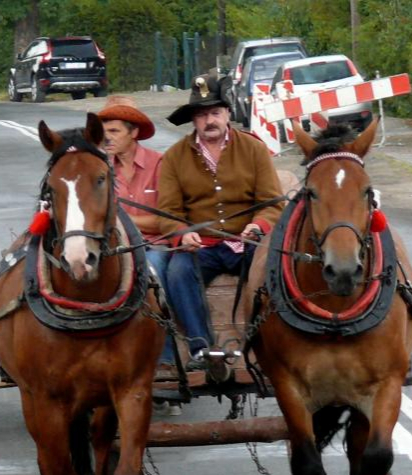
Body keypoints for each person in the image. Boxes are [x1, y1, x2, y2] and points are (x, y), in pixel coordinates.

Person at [158, 74, 283, 370]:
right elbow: (168, 211)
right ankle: (201, 349)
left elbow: (272, 203)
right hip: (202, 246)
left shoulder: (254, 149)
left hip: (249, 241)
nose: (209, 120)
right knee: (177, 271)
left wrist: (258, 227)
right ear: (193, 121)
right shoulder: (174, 158)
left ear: (227, 114)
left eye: (215, 112)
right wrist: (182, 234)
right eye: (202, 115)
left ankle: (270, 340)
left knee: (275, 269)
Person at [99, 96, 181, 414]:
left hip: (154, 246)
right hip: (115, 250)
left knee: (154, 278)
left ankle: (166, 363)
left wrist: (123, 220)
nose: (107, 137)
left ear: (133, 132)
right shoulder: (101, 169)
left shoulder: (159, 164)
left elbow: (165, 218)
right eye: (104, 130)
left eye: (114, 130)